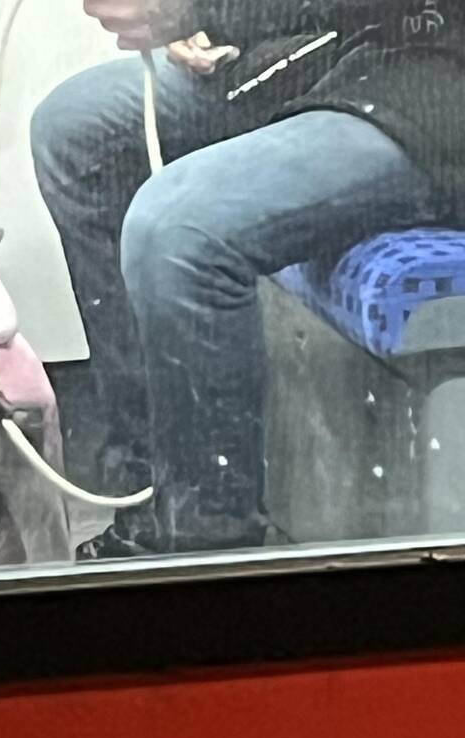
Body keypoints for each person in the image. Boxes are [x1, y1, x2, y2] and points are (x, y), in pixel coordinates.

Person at [31, 0, 465, 556]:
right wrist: (215, 24)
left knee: (177, 228)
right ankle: (150, 486)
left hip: (442, 79)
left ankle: (205, 550)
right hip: (367, 46)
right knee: (74, 128)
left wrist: (210, 8)